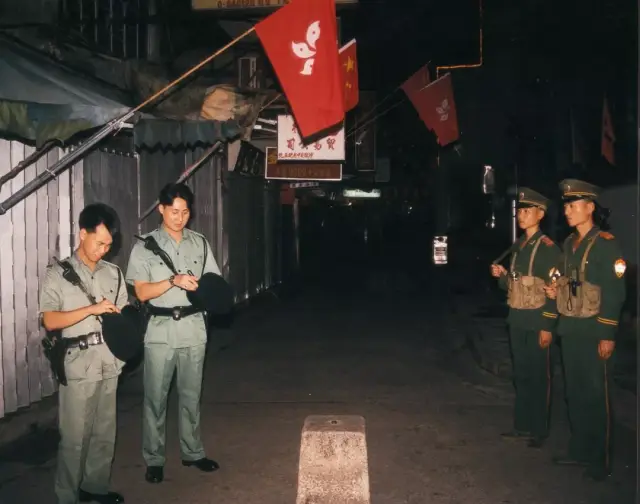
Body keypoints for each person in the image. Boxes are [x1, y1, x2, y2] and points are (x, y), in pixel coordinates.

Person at [125, 183, 222, 484]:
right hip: (161, 330)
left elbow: (214, 283)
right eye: (174, 211)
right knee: (155, 398)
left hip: (194, 328)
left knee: (191, 395)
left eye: (185, 212)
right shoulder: (144, 246)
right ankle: (154, 459)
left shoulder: (200, 243)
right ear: (161, 210)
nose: (180, 218)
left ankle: (192, 452)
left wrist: (209, 293)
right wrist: (172, 280)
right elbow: (140, 292)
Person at [39, 203, 128, 504]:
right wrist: (92, 308)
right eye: (99, 242)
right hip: (78, 365)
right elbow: (50, 320)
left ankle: (95, 488)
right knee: (75, 440)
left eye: (109, 245)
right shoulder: (57, 274)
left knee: (105, 433)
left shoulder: (114, 273)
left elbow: (125, 315)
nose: (104, 249)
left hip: (109, 361)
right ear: (82, 233)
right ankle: (67, 496)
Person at [543, 179, 626, 481]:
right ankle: (579, 450)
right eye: (565, 205)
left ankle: (600, 458)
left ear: (590, 208)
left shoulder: (605, 244)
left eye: (573, 205)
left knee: (597, 394)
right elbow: (568, 280)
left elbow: (615, 292)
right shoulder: (568, 244)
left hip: (593, 331)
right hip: (571, 329)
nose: (567, 211)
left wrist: (607, 333)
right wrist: (555, 290)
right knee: (575, 393)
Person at [490, 188, 561, 448]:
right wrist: (502, 275)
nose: (521, 215)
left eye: (527, 211)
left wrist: (547, 325)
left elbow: (555, 290)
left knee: (539, 376)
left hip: (536, 321)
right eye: (520, 211)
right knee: (521, 375)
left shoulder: (548, 249)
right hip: (517, 320)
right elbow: (513, 286)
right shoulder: (519, 246)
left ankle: (538, 429)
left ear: (540, 215)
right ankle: (522, 426)